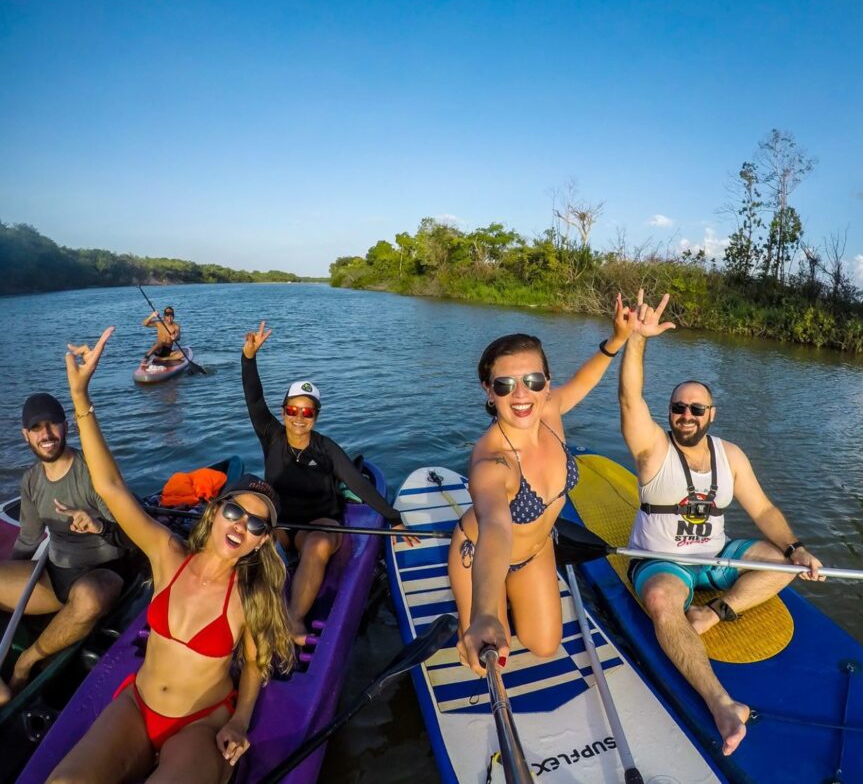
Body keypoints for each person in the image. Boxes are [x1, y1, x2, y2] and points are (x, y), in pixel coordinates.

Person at [48, 327, 293, 783]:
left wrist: (240, 721)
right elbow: (111, 488)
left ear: (262, 541)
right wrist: (81, 398)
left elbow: (256, 663)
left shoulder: (253, 592)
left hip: (200, 724)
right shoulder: (167, 555)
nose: (241, 525)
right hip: (137, 704)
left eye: (257, 524)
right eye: (234, 511)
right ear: (215, 511)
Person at [618, 291, 824, 756]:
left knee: (784, 564)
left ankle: (710, 614)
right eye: (679, 408)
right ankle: (721, 703)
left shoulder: (731, 455)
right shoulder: (652, 448)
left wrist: (797, 550)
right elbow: (630, 398)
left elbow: (764, 511)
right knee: (661, 602)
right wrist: (636, 340)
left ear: (711, 414)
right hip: (661, 561)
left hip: (714, 558)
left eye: (697, 409)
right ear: (669, 413)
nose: (686, 416)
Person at [453, 295, 633, 675]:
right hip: (479, 553)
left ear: (547, 384)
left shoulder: (549, 410)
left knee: (545, 645)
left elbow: (585, 380)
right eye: (505, 385)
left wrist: (617, 339)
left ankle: (510, 597)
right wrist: (484, 613)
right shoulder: (492, 462)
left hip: (536, 552)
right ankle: (483, 603)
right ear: (488, 390)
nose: (522, 395)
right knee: (490, 662)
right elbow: (496, 529)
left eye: (533, 381)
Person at [241, 321, 416, 644]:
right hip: (281, 522)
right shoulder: (271, 435)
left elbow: (358, 483)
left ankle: (293, 620)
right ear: (283, 412)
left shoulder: (326, 448)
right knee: (253, 538)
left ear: (316, 416)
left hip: (318, 523)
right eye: (293, 410)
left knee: (318, 545)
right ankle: (247, 611)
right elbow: (254, 399)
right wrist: (249, 358)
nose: (299, 418)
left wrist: (393, 518)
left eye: (307, 413)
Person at [0, 393, 132, 706]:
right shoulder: (31, 481)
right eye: (36, 428)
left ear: (66, 426)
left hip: (103, 571)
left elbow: (132, 534)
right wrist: (10, 580)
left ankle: (25, 664)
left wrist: (98, 526)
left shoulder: (93, 471)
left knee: (90, 597)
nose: (46, 434)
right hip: (55, 574)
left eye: (52, 425)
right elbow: (28, 540)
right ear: (26, 435)